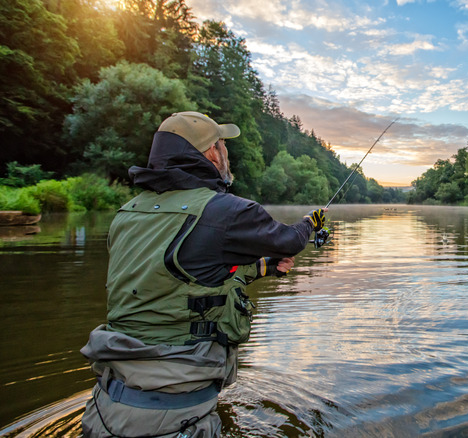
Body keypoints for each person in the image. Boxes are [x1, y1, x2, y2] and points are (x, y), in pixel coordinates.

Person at [80, 111, 326, 437]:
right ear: (211, 152)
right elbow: (289, 241)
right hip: (175, 420)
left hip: (104, 407)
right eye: (224, 145)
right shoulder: (228, 211)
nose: (227, 153)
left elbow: (179, 277)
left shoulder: (127, 214)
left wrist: (265, 267)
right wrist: (310, 222)